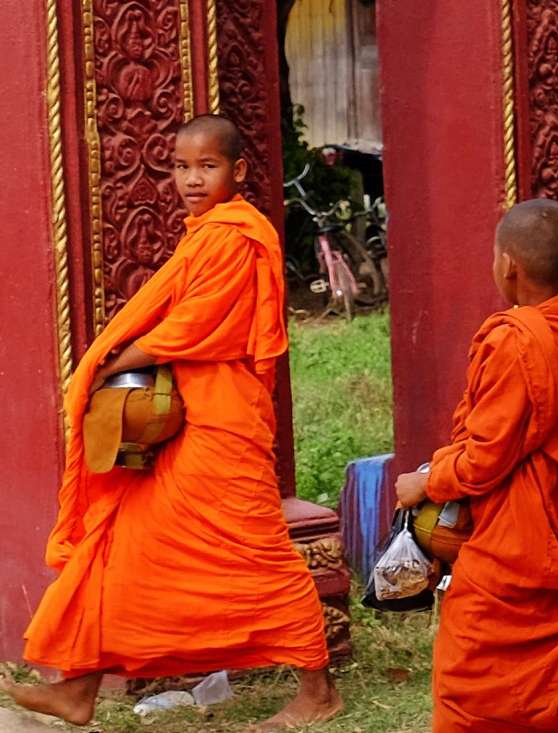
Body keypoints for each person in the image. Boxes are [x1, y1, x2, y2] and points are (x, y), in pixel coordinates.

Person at [1, 115, 342, 730]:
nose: (191, 178)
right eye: (181, 167)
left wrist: (113, 360)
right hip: (189, 418)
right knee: (123, 544)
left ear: (236, 172)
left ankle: (318, 693)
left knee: (258, 551)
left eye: (206, 166)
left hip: (226, 419)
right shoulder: (205, 234)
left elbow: (196, 326)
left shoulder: (238, 236)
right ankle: (78, 689)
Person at [392, 199, 558, 733]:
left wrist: (427, 481)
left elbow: (485, 457)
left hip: (515, 550)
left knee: (471, 686)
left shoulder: (514, 341)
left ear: (509, 265)